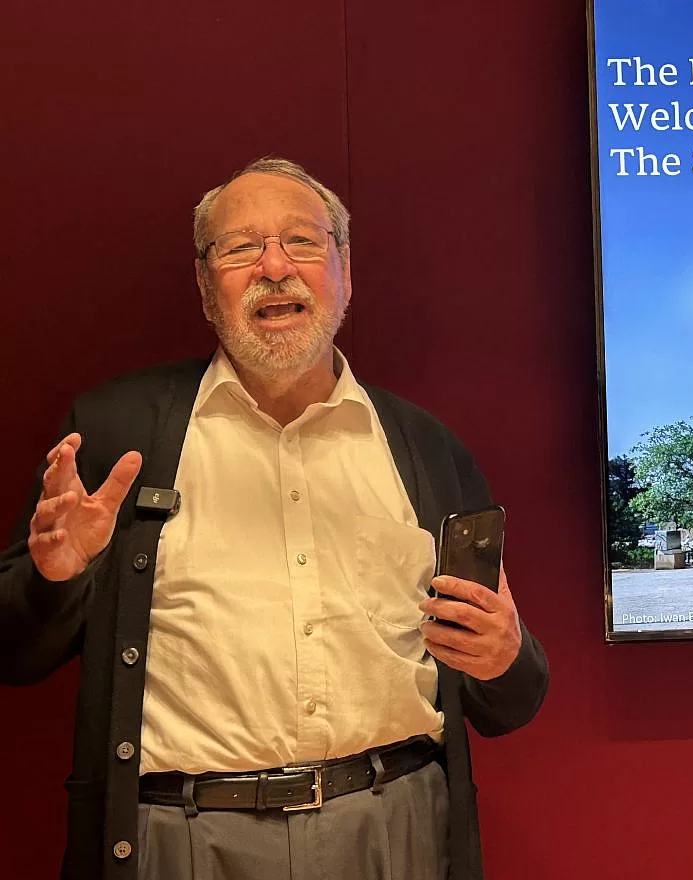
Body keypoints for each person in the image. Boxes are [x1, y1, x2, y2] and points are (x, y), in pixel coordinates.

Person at [0, 157, 549, 880]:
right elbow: (13, 650)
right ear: (205, 284)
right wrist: (54, 579)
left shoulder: (426, 448)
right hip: (184, 842)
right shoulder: (117, 432)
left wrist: (507, 655)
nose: (274, 265)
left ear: (344, 269)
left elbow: (507, 701)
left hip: (398, 830)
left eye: (303, 241)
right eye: (239, 247)